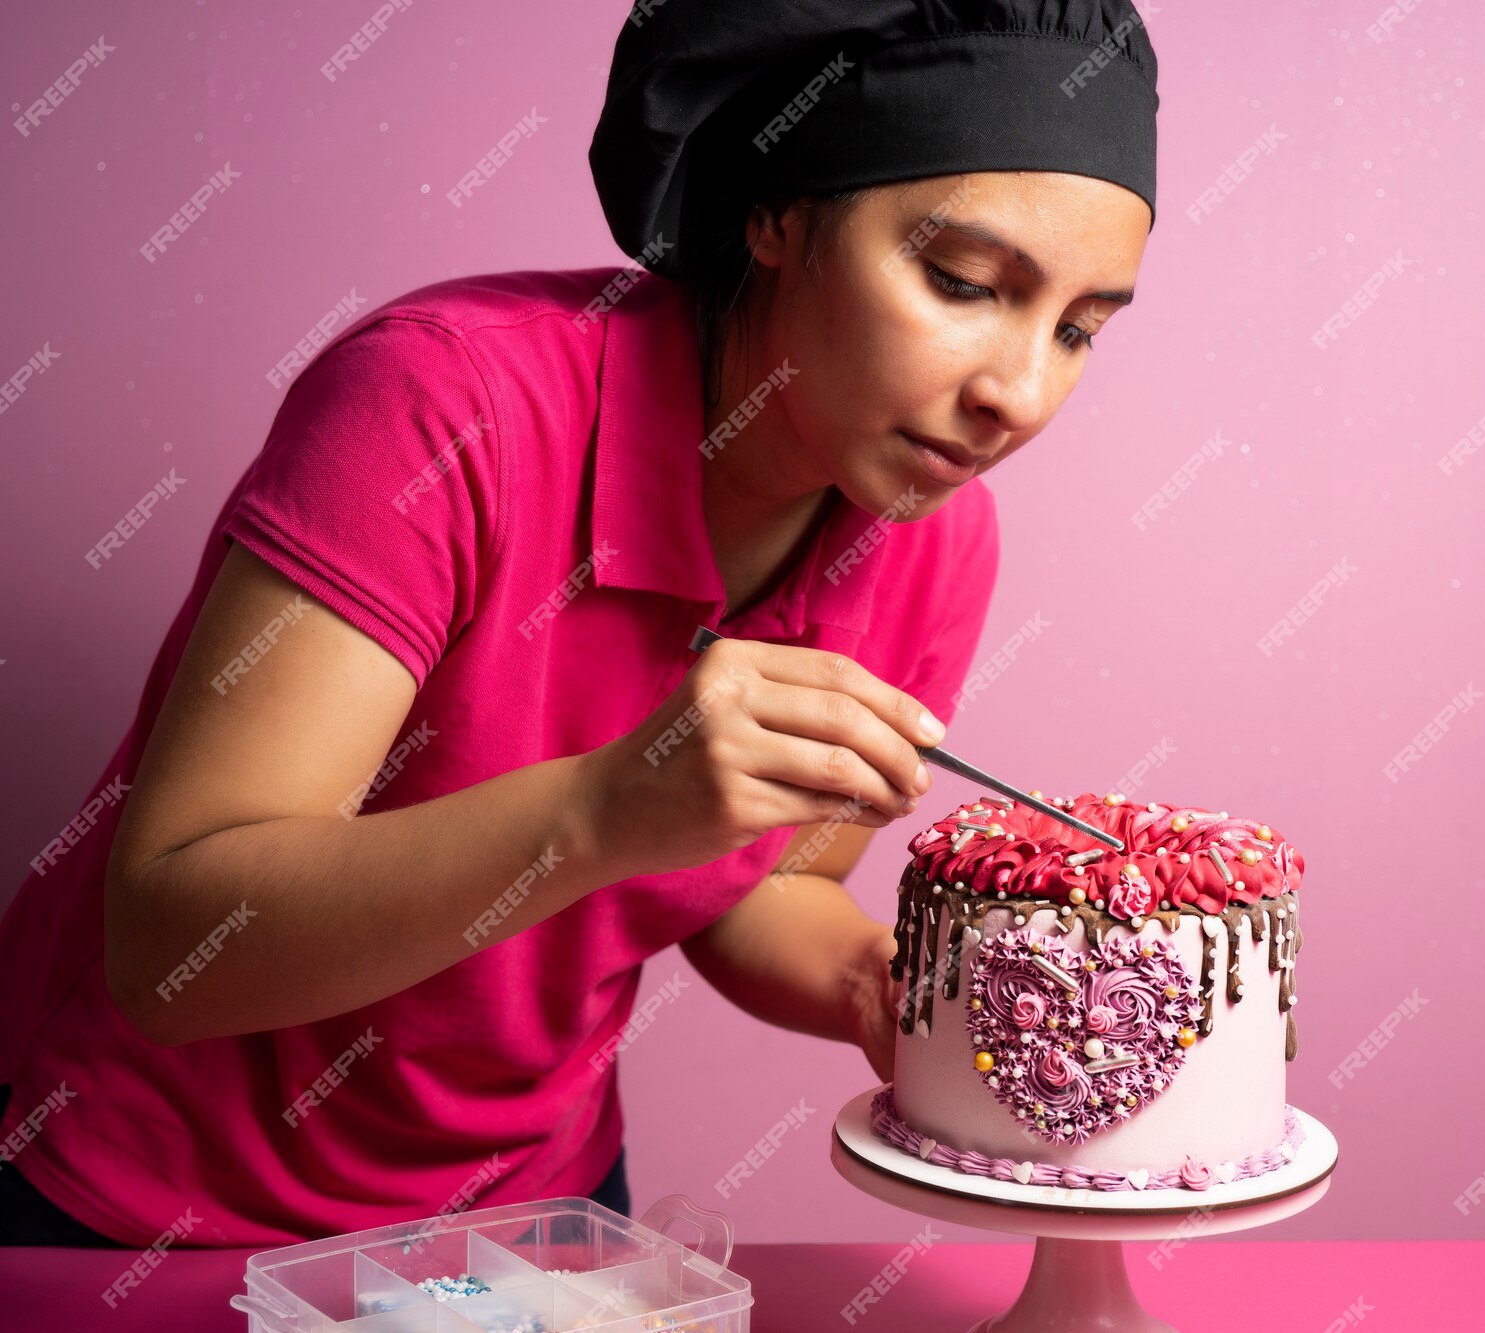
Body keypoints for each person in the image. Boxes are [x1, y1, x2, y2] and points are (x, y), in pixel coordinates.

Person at [0, 0, 1157, 1247]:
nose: (1019, 394)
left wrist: (888, 987)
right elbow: (176, 942)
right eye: (963, 282)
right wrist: (605, 807)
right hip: (144, 1206)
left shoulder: (927, 531)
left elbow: (748, 890)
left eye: (1080, 328)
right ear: (775, 215)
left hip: (539, 1208)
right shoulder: (443, 404)